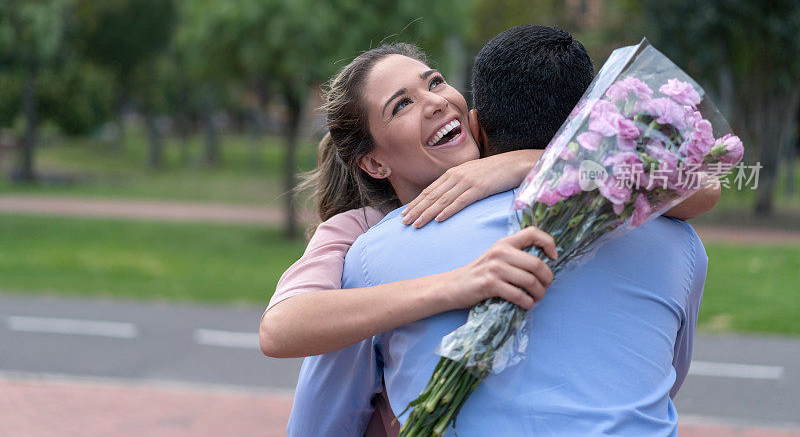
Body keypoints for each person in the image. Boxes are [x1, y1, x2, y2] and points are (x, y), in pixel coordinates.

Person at [287, 26, 713, 435]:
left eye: (434, 82)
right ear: (374, 163)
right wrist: (460, 283)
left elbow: (705, 185)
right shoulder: (359, 242)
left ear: (476, 122)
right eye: (401, 105)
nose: (434, 102)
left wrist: (530, 162)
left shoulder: (374, 256)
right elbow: (284, 327)